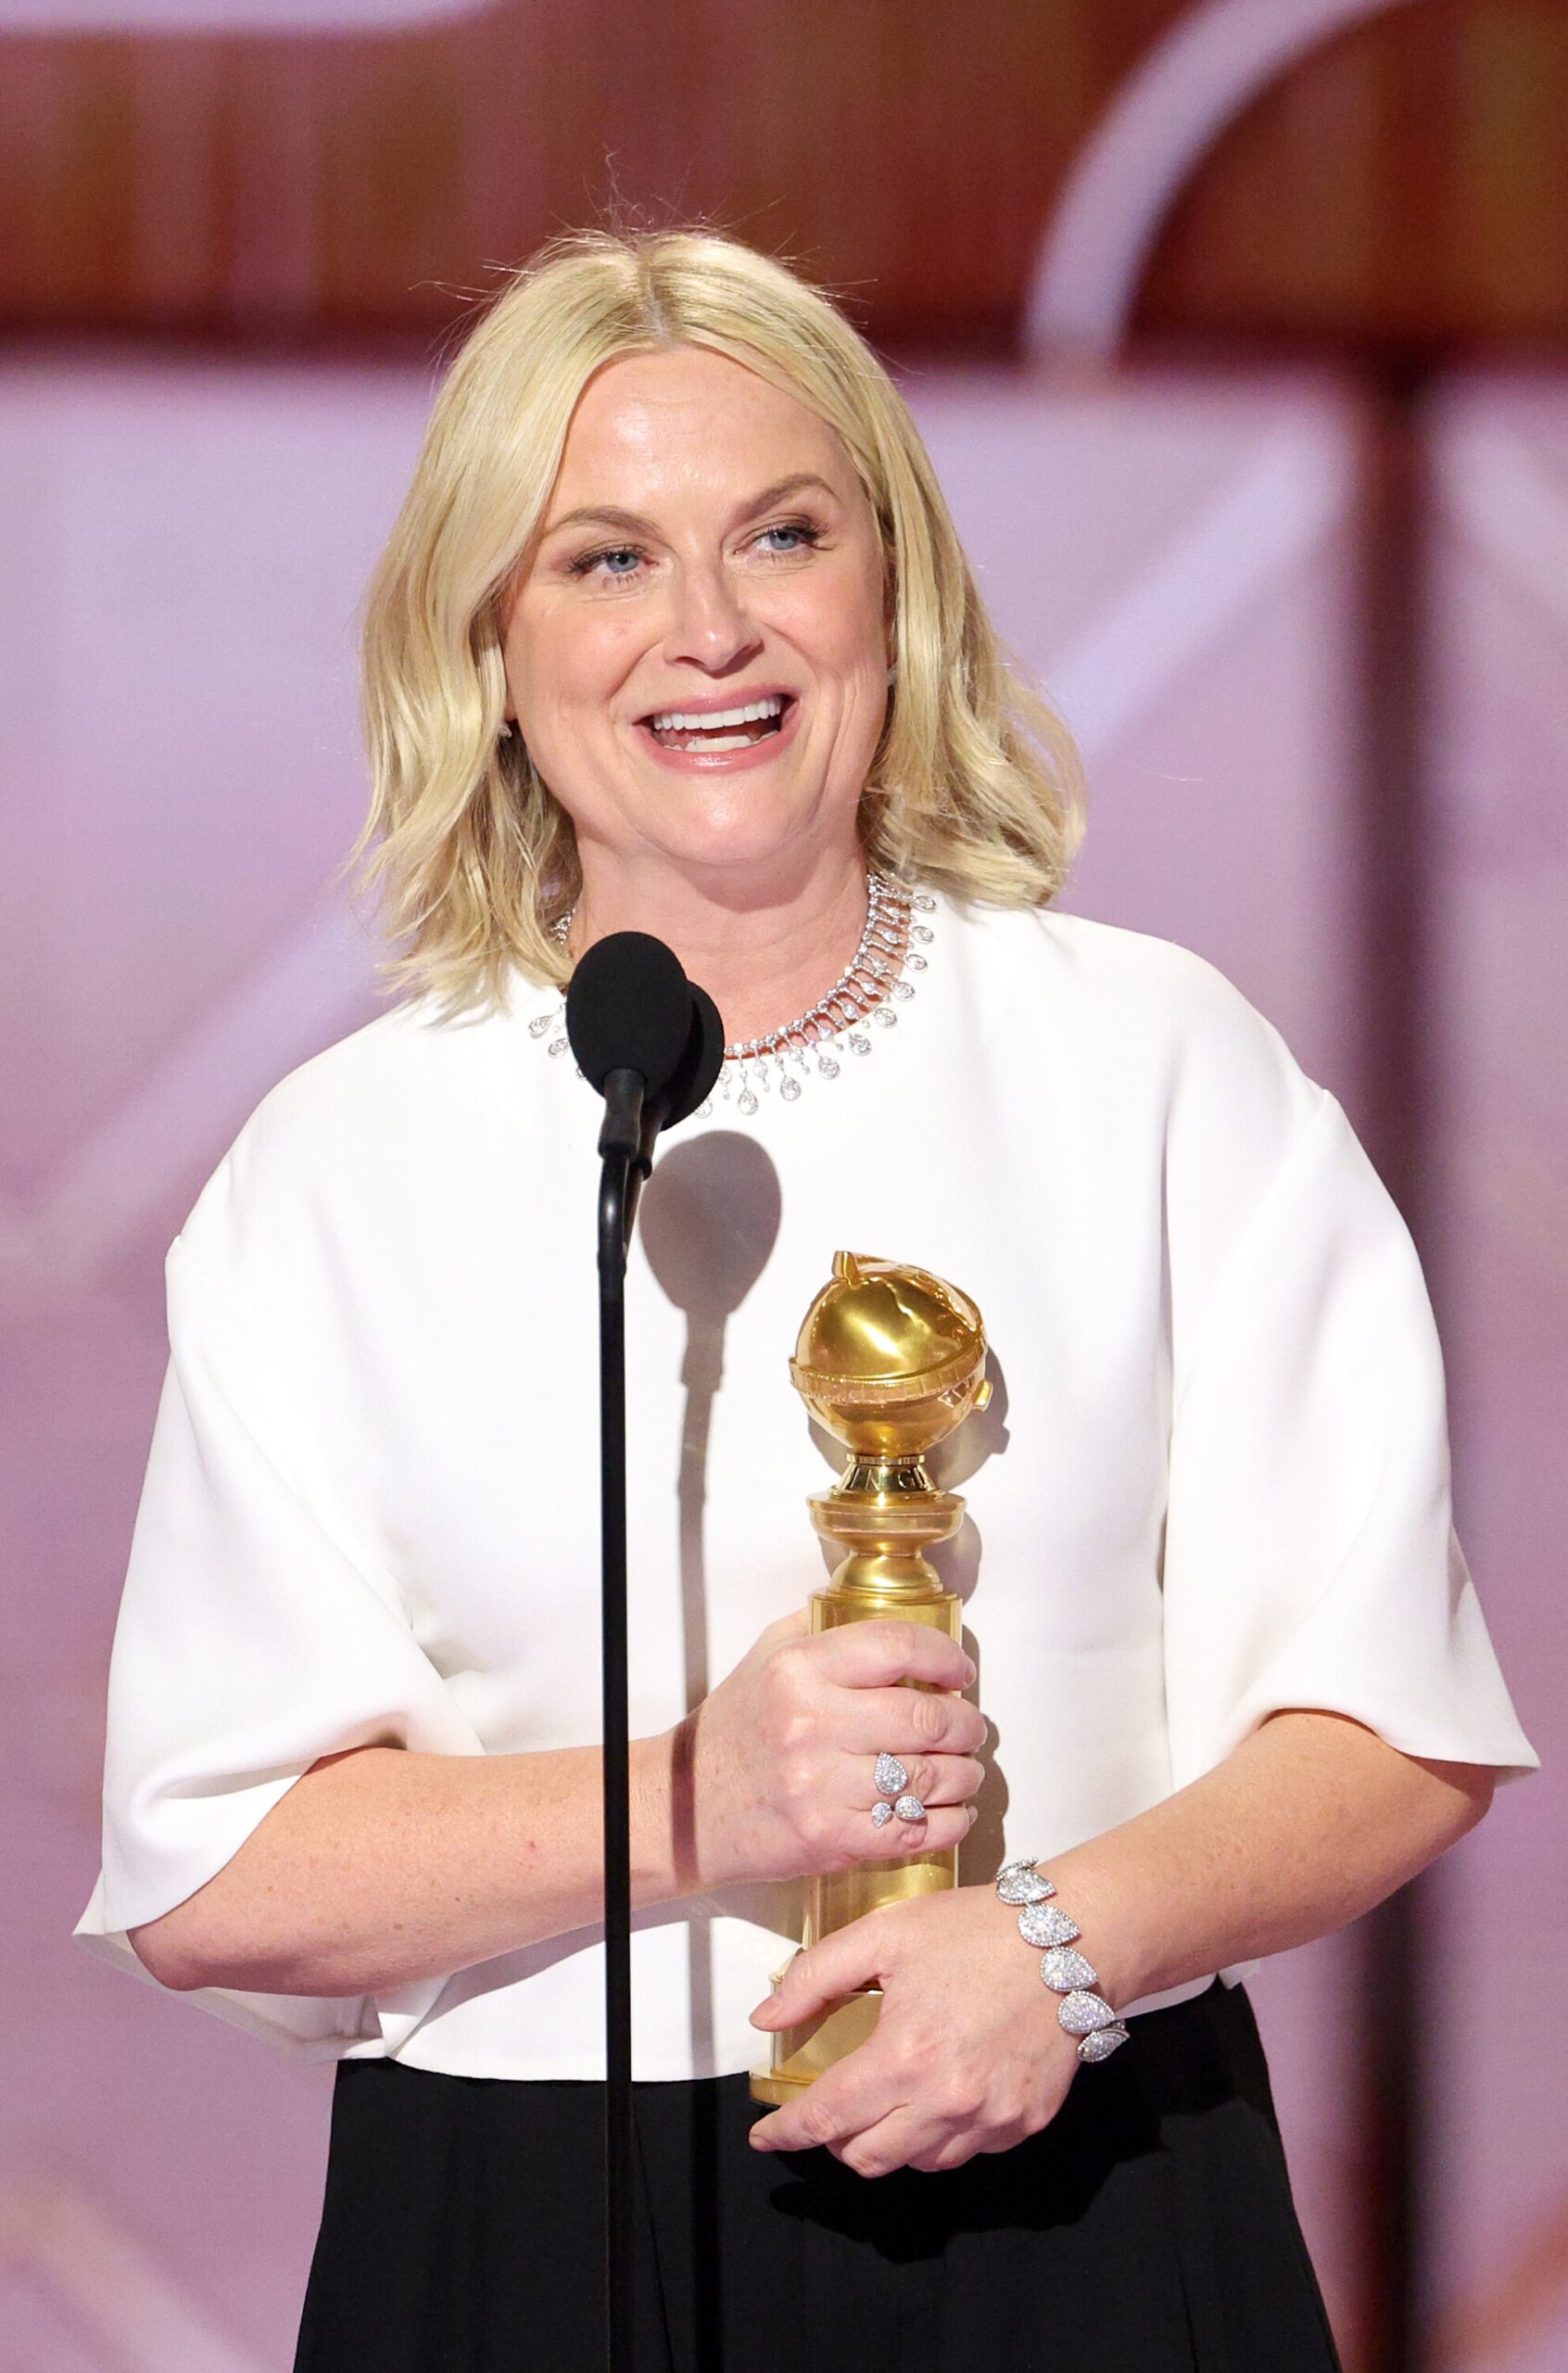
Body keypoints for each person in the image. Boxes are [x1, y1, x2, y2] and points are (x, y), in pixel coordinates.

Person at [76, 228, 1536, 2371]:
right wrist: (701, 1795)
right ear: (484, 641)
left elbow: (1393, 1717)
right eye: (602, 560)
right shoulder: (338, 1161)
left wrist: (1055, 1942)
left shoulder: (1152, 1060)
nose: (714, 631)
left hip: (1091, 2190)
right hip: (515, 2238)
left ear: (894, 586)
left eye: (784, 532)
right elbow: (218, 1874)